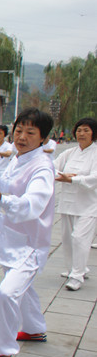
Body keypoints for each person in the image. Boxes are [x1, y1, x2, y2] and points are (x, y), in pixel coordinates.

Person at [0, 108, 55, 357]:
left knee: (8, 293)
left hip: (30, 244)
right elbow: (8, 195)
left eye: (30, 132)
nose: (22, 136)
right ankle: (33, 329)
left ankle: (4, 349)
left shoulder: (41, 167)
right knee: (23, 288)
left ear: (43, 138)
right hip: (10, 239)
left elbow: (32, 205)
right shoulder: (18, 159)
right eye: (19, 130)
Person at [53, 117, 97, 291]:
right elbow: (52, 167)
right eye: (79, 130)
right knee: (67, 238)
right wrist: (63, 176)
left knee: (80, 238)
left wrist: (73, 179)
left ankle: (77, 277)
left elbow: (94, 177)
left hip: (89, 205)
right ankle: (76, 268)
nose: (82, 133)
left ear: (93, 133)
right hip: (68, 202)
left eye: (86, 130)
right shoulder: (69, 153)